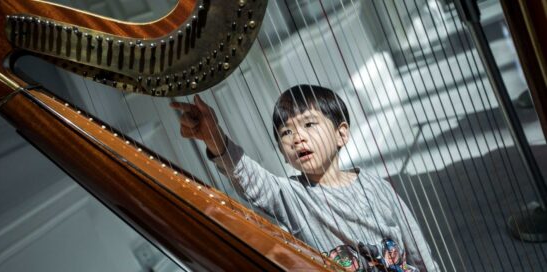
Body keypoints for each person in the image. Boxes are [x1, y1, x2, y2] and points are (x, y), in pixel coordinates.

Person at [170, 85, 440, 271]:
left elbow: (417, 249)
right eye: (286, 133)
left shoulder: (377, 187)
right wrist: (214, 137)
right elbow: (247, 177)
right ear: (282, 152)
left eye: (309, 124)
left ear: (341, 134)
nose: (298, 137)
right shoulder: (290, 195)